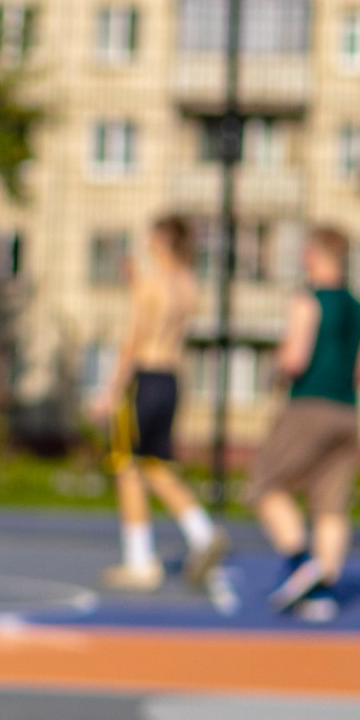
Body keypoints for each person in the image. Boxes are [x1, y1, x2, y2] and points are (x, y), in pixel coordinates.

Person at [94, 215, 219, 593]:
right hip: (171, 379)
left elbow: (135, 337)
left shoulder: (152, 284)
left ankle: (139, 561)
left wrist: (111, 390)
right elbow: (166, 320)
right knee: (154, 465)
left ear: (164, 239)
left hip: (144, 379)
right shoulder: (188, 284)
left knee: (126, 467)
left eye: (152, 235)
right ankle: (203, 533)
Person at [246, 223, 360, 620]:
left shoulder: (308, 300)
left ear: (315, 255)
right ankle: (322, 592)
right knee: (331, 502)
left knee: (265, 485)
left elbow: (295, 357)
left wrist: (276, 369)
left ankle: (300, 562)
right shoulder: (356, 306)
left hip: (308, 405)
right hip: (347, 411)